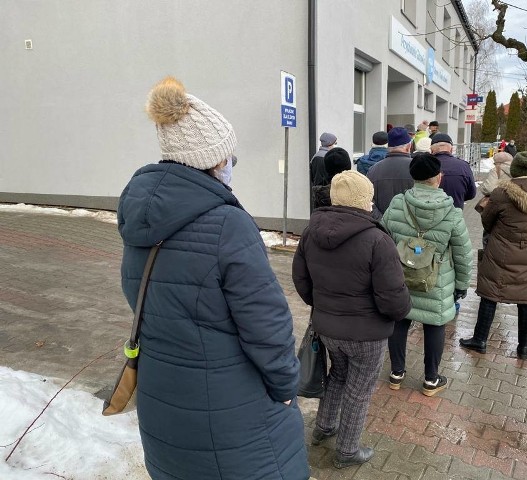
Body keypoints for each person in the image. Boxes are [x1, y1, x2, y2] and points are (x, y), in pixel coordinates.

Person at [117, 77, 309, 480]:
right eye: (229, 158)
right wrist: (286, 386)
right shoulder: (227, 224)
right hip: (232, 413)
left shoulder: (138, 218)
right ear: (214, 162)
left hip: (163, 400)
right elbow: (267, 326)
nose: (231, 165)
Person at [292, 170, 411, 469]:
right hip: (366, 335)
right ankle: (347, 451)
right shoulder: (377, 240)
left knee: (338, 377)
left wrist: (323, 307)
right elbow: (393, 298)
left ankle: (324, 426)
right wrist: (400, 313)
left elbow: (301, 279)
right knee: (359, 391)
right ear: (365, 200)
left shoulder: (311, 231)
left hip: (328, 328)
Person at [382, 153, 472, 396]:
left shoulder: (397, 203)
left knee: (400, 320)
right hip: (436, 281)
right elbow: (463, 253)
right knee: (435, 324)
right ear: (438, 178)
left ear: (413, 178)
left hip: (401, 275)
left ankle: (396, 374)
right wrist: (462, 284)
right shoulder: (452, 211)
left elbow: (383, 238)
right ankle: (431, 379)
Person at [460, 152, 527, 360]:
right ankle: (523, 348)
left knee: (490, 294)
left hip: (500, 250)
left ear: (515, 170)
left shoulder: (501, 193)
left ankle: (480, 340)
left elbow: (487, 221)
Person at [366, 127, 414, 218]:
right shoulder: (418, 168)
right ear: (409, 146)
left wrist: (382, 222)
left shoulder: (373, 170)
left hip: (382, 229)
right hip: (411, 229)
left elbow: (368, 201)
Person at [430, 133, 477, 209]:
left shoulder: (425, 166)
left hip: (428, 215)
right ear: (451, 149)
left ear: (431, 149)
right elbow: (471, 194)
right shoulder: (463, 166)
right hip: (455, 214)